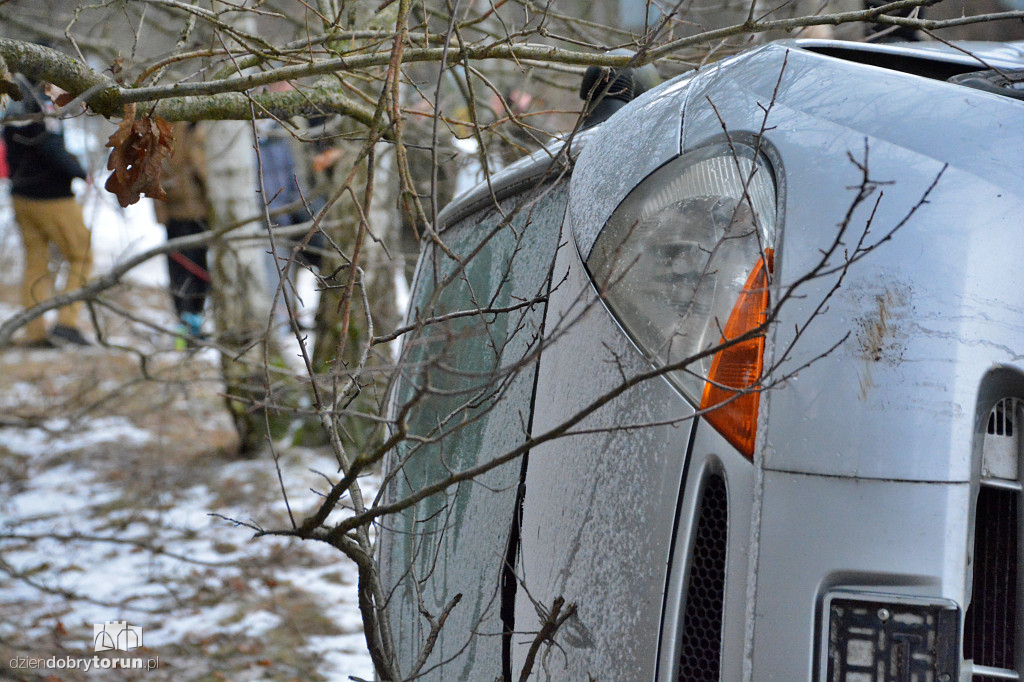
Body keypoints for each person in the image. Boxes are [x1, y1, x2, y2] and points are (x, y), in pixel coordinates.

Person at [2, 74, 92, 347]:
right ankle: (67, 323)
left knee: (36, 262)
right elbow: (50, 147)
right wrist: (79, 170)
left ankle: (35, 331)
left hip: (21, 197)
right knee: (82, 256)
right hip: (53, 199)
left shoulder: (11, 107)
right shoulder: (41, 109)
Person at [154, 121, 210, 347]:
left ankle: (192, 327)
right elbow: (198, 167)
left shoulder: (194, 127)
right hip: (184, 213)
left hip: (195, 212)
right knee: (187, 271)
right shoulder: (177, 129)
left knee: (195, 272)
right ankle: (186, 331)